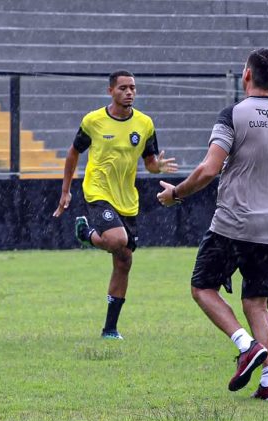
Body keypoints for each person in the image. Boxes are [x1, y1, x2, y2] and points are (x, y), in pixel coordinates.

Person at [157, 49, 268, 400]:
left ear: (247, 74)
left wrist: (176, 194)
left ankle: (245, 345)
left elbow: (208, 169)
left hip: (233, 224)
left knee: (202, 287)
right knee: (256, 303)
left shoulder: (234, 114)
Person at [53, 70, 178, 340]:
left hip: (127, 199)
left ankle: (110, 329)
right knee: (117, 239)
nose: (129, 92)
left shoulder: (144, 124)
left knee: (124, 260)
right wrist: (66, 190)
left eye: (132, 87)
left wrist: (158, 168)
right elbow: (74, 152)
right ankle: (87, 233)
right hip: (97, 191)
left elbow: (150, 161)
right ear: (111, 91)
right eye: (123, 88)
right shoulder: (93, 121)